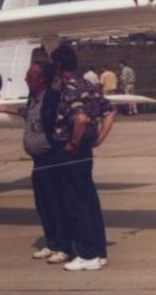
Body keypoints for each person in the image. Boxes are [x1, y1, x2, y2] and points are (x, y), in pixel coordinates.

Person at [50, 46, 116, 272]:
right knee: (89, 201)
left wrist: (73, 143)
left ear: (59, 66)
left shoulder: (69, 88)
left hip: (72, 152)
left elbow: (80, 118)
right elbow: (110, 111)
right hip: (86, 151)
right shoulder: (89, 85)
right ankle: (98, 252)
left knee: (76, 203)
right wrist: (98, 139)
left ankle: (86, 254)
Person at [23, 62, 71, 264]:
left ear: (41, 79)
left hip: (51, 159)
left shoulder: (51, 98)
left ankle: (63, 246)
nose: (26, 79)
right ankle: (51, 242)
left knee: (55, 203)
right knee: (42, 204)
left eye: (30, 76)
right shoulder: (31, 99)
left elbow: (58, 125)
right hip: (38, 161)